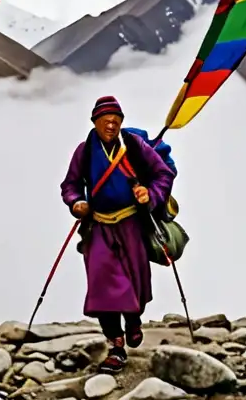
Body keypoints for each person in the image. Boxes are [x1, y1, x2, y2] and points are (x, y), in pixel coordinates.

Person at [61, 95, 175, 373]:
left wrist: (150, 194)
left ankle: (134, 322)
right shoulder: (85, 151)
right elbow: (70, 185)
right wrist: (76, 203)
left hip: (131, 224)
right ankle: (116, 345)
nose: (111, 126)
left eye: (116, 121)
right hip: (99, 227)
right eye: (106, 121)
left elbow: (163, 175)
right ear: (95, 122)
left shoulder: (134, 147)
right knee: (102, 286)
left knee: (134, 281)